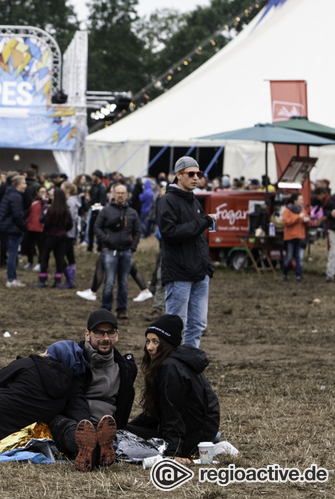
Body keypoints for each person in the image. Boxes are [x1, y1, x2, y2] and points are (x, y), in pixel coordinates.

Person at [49, 310, 137, 471]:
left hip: (106, 428)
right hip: (74, 422)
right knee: (70, 429)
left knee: (101, 439)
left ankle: (98, 448)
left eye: (110, 333)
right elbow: (72, 399)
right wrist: (86, 426)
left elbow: (125, 403)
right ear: (87, 334)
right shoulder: (74, 359)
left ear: (117, 335)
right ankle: (88, 447)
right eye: (99, 333)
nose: (105, 338)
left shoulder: (124, 368)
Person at [127, 315, 220, 461]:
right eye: (148, 341)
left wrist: (174, 452)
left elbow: (172, 412)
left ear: (166, 343)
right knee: (126, 430)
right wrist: (131, 426)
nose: (149, 347)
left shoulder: (170, 368)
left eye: (155, 342)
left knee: (121, 436)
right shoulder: (178, 362)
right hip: (199, 432)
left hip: (189, 438)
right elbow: (155, 413)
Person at [156, 156, 215, 348]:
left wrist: (206, 265)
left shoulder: (193, 200)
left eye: (199, 173)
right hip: (179, 273)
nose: (196, 177)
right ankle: (171, 371)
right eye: (191, 173)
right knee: (175, 326)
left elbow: (198, 239)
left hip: (199, 273)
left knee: (197, 325)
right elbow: (170, 233)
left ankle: (189, 369)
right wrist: (203, 222)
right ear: (179, 175)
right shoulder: (167, 200)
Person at [95, 183, 141, 320]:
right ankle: (105, 310)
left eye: (123, 193)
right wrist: (105, 239)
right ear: (113, 194)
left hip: (126, 252)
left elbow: (138, 231)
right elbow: (97, 227)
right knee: (109, 282)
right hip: (110, 251)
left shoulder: (132, 213)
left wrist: (133, 247)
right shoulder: (106, 211)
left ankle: (122, 309)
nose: (120, 195)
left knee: (124, 282)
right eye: (118, 193)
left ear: (127, 195)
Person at [0, 175, 28, 288]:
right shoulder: (16, 196)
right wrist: (23, 227)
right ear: (18, 185)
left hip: (6, 227)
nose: (25, 185)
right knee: (13, 254)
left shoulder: (9, 193)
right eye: (23, 183)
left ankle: (12, 278)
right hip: (12, 228)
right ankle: (11, 279)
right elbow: (17, 215)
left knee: (11, 254)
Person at [36, 187, 72, 288]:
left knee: (44, 256)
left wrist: (48, 230)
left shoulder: (50, 210)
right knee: (59, 258)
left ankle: (43, 279)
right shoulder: (66, 209)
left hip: (51, 235)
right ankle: (57, 280)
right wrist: (64, 230)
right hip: (62, 236)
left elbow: (45, 222)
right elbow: (70, 224)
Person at [281, 193, 309, 282]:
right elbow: (287, 222)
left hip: (300, 237)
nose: (302, 201)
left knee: (299, 258)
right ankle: (285, 274)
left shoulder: (303, 210)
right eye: (300, 199)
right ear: (295, 200)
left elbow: (308, 222)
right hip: (290, 238)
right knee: (289, 257)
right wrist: (298, 217)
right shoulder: (287, 210)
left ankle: (298, 276)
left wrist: (307, 221)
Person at [23, 186, 47, 271]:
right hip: (30, 226)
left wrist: (44, 200)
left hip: (40, 228)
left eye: (44, 192)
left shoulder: (47, 202)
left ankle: (40, 263)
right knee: (29, 246)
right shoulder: (33, 202)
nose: (42, 193)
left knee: (41, 247)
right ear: (37, 193)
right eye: (41, 192)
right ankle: (30, 261)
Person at [61, 181, 80, 289]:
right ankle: (70, 278)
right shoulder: (72, 201)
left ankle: (69, 278)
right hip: (70, 232)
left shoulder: (70, 202)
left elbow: (70, 218)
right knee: (70, 254)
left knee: (62, 254)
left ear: (67, 190)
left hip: (68, 232)